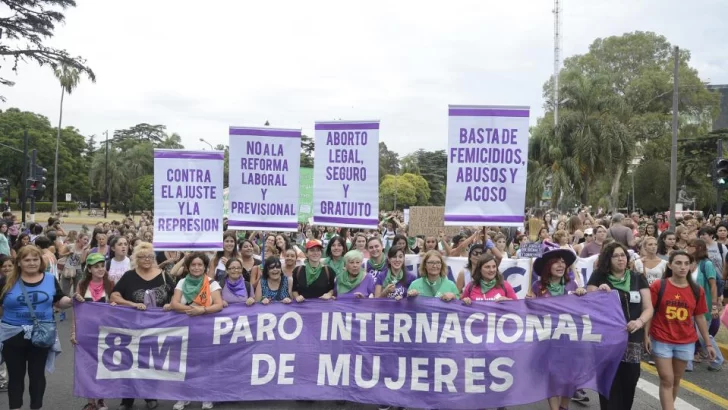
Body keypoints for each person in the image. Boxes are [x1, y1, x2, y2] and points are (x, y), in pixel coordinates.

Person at [0, 245, 73, 410]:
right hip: (12, 335)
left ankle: (36, 407)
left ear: (41, 261)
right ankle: (15, 407)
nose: (31, 263)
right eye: (27, 260)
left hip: (41, 334)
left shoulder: (49, 278)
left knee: (37, 375)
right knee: (16, 376)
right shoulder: (6, 281)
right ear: (18, 262)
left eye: (35, 259)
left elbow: (59, 300)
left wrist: (71, 301)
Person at [644, 251, 715, 410]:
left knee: (676, 380)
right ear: (670, 265)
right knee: (667, 379)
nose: (683, 267)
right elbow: (649, 311)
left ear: (691, 266)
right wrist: (646, 335)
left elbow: (700, 318)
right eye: (678, 263)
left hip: (685, 342)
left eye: (686, 263)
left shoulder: (697, 290)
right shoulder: (659, 285)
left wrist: (708, 344)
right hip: (662, 339)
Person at [587, 242, 653, 410]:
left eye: (623, 255)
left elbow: (648, 308)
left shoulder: (638, 278)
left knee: (630, 381)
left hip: (632, 338)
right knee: (609, 381)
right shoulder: (598, 277)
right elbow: (589, 304)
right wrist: (600, 293)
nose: (620, 259)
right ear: (607, 259)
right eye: (615, 256)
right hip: (607, 339)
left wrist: (639, 322)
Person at [111, 242, 174, 410]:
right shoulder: (129, 276)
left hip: (157, 327)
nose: (146, 259)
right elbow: (115, 295)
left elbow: (176, 296)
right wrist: (131, 304)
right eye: (142, 257)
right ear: (135, 259)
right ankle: (127, 399)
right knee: (129, 362)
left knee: (151, 362)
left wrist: (171, 305)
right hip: (132, 327)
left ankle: (150, 395)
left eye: (150, 257)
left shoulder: (163, 275)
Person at [171, 252, 223, 410]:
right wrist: (192, 309)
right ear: (187, 267)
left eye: (200, 264)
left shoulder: (212, 283)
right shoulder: (181, 282)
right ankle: (183, 396)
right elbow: (174, 303)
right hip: (184, 330)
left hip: (205, 330)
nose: (196, 267)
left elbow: (218, 304)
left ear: (205, 267)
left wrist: (203, 310)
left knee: (205, 363)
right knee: (183, 364)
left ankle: (206, 396)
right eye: (193, 264)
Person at [71, 253, 115, 410]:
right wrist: (74, 332)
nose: (100, 269)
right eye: (96, 266)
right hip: (86, 333)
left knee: (104, 365)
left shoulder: (110, 284)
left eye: (102, 266)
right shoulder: (82, 285)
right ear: (89, 269)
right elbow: (76, 312)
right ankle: (91, 402)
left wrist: (114, 305)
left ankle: (102, 399)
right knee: (88, 366)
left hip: (105, 332)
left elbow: (115, 307)